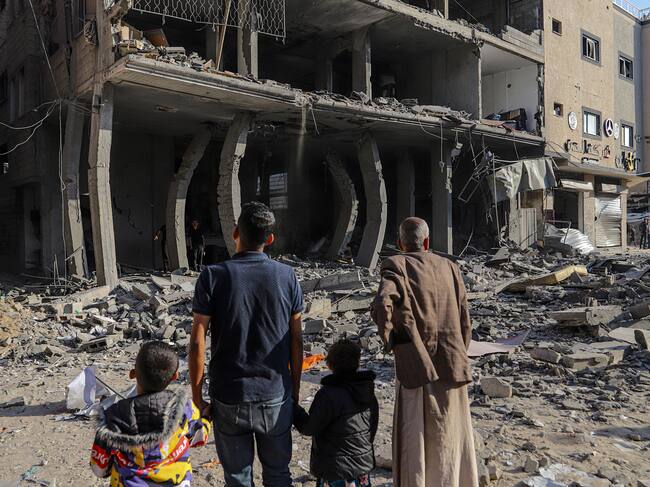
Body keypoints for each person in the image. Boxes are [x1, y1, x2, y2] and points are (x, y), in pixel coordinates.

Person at [189, 201, 304, 487]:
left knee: (237, 480)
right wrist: (294, 390)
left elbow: (197, 340)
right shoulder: (287, 276)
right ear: (270, 239)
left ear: (235, 232)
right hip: (275, 395)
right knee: (279, 475)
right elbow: (296, 339)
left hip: (229, 396)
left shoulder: (212, 276)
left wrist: (197, 396)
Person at [371, 217, 478, 487]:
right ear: (427, 242)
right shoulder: (450, 267)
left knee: (417, 437)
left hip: (417, 367)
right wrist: (459, 349)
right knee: (450, 435)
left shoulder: (396, 264)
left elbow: (383, 303)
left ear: (400, 243)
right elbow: (465, 318)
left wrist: (392, 341)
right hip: (452, 362)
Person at [90, 341, 212, 486]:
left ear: (133, 374)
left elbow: (99, 469)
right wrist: (206, 418)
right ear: (175, 376)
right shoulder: (184, 409)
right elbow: (200, 437)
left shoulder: (111, 418)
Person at [294, 339, 378, 487]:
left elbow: (309, 428)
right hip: (362, 468)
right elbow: (372, 428)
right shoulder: (368, 392)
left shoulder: (328, 394)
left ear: (330, 364)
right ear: (357, 362)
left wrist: (294, 409)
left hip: (335, 470)